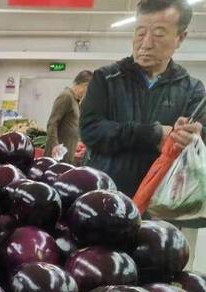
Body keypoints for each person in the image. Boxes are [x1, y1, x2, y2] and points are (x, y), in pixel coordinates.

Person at [81, 0, 205, 197]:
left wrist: (194, 138)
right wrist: (153, 134)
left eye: (158, 34)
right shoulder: (106, 78)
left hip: (160, 204)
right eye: (140, 33)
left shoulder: (192, 90)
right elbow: (90, 131)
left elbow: (200, 143)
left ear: (180, 38)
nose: (146, 44)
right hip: (104, 198)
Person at [44, 70, 93, 164]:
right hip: (57, 158)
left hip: (66, 156)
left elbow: (69, 126)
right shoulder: (66, 96)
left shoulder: (75, 100)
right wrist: (54, 145)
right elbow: (52, 122)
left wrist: (76, 141)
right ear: (85, 85)